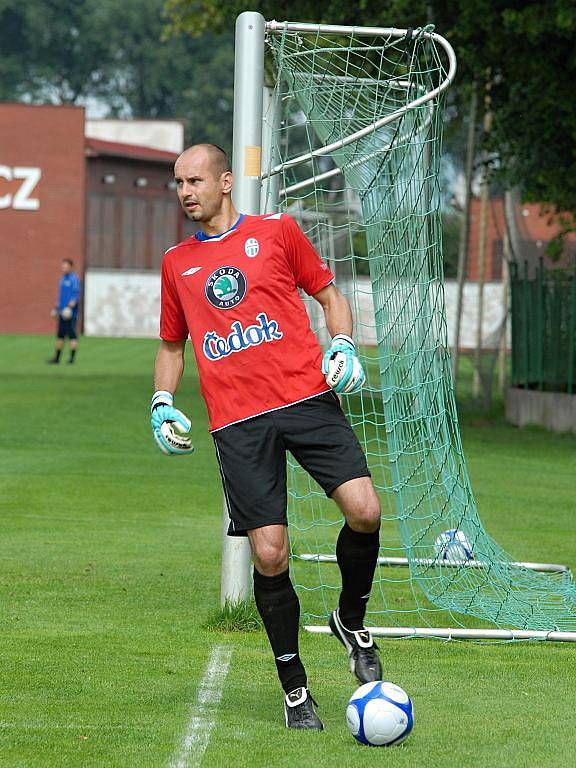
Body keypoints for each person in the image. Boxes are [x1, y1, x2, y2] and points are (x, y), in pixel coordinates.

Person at [151, 144, 382, 730]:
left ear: (225, 181)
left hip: (308, 399)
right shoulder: (177, 263)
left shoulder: (278, 233)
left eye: (195, 180)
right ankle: (296, 690)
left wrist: (345, 344)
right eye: (178, 182)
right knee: (271, 552)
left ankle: (351, 621)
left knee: (365, 511)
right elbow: (172, 345)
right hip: (238, 422)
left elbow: (329, 295)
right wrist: (161, 403)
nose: (185, 191)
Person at [47, 258, 81, 364]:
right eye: (63, 266)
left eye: (66, 266)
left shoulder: (74, 279)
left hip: (70, 313)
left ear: (71, 267)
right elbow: (61, 297)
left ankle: (71, 359)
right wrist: (56, 308)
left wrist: (69, 308)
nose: (64, 268)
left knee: (72, 336)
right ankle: (57, 358)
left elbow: (75, 295)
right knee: (60, 335)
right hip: (62, 311)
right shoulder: (62, 279)